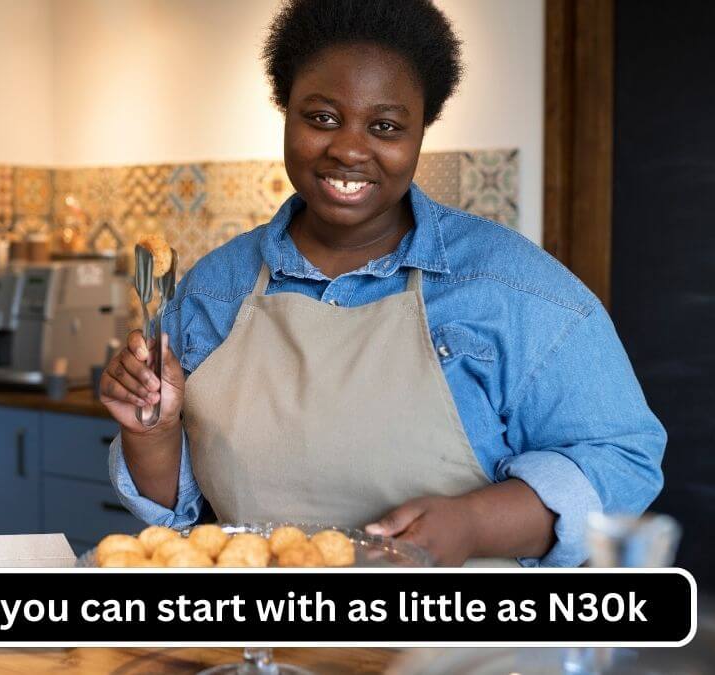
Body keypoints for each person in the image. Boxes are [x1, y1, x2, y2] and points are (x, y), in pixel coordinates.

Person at [99, 0, 664, 566]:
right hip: (267, 645)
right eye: (321, 117)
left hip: (450, 647)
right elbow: (185, 519)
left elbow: (621, 460)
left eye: (385, 127)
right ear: (286, 110)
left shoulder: (512, 287)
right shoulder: (213, 289)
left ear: (421, 131)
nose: (348, 148)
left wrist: (476, 524)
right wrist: (153, 431)